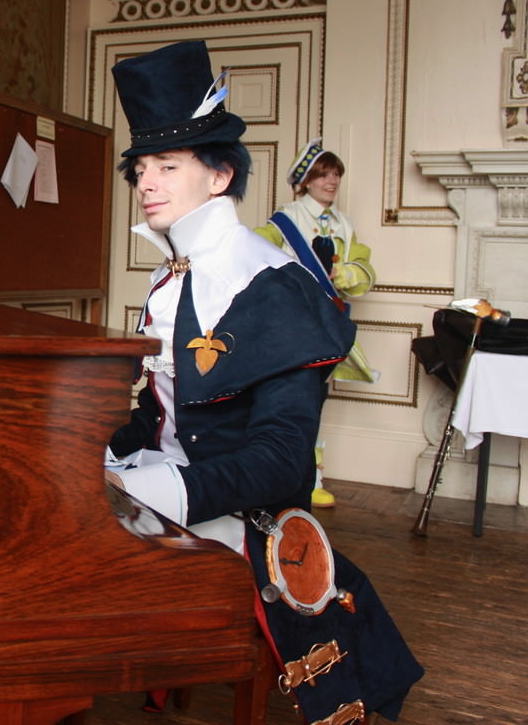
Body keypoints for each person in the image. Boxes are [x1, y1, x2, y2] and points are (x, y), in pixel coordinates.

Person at [103, 40, 422, 724]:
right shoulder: (168, 277)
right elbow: (159, 416)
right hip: (165, 484)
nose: (147, 183)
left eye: (168, 166)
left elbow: (280, 463)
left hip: (242, 519)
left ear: (220, 176)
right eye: (141, 169)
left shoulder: (272, 285)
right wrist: (100, 459)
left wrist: (150, 493)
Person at [255, 140, 378, 508]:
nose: (332, 181)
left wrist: (346, 274)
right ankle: (282, 476)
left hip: (327, 324)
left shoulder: (345, 224)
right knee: (290, 400)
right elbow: (252, 252)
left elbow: (364, 269)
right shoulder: (286, 219)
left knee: (316, 401)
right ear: (306, 180)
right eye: (324, 174)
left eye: (336, 174)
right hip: (289, 326)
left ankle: (311, 480)